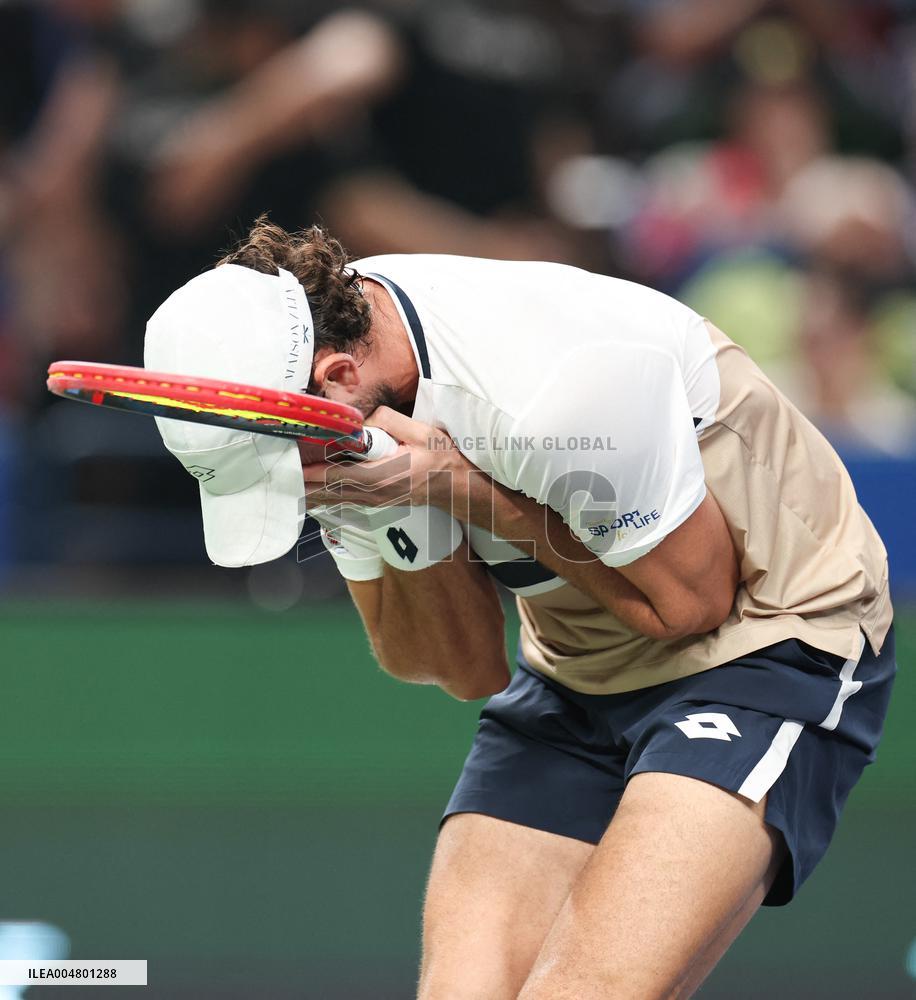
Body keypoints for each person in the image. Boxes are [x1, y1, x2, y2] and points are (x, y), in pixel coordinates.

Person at [144, 217, 894, 999]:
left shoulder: (560, 388)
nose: (299, 486)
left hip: (766, 640)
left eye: (283, 465)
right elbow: (462, 668)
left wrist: (456, 485)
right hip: (575, 670)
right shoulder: (333, 394)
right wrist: (399, 504)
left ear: (335, 378)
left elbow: (691, 606)